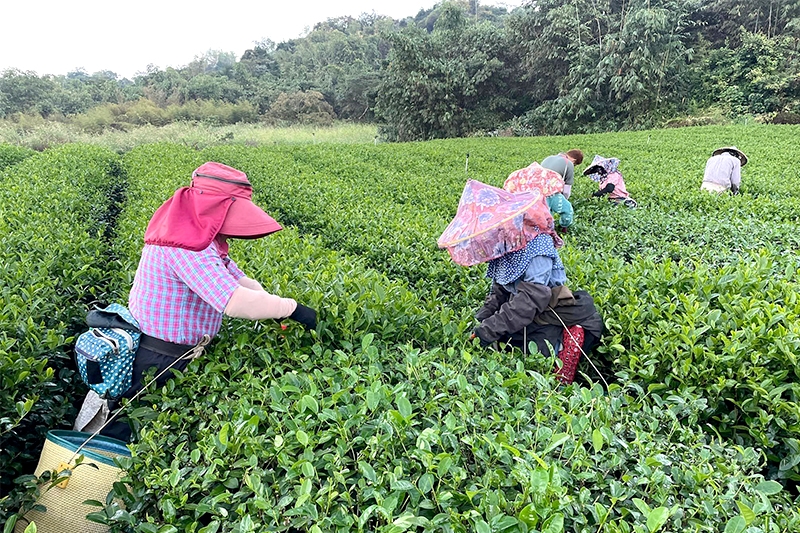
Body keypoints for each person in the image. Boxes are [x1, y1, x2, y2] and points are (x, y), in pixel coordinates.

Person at [99, 161, 317, 441]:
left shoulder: (197, 238)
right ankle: (93, 482)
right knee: (124, 438)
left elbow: (239, 280)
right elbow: (234, 301)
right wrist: (292, 308)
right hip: (159, 359)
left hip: (171, 353)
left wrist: (272, 304)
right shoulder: (185, 246)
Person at [471, 232, 604, 384]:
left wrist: (488, 330)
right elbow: (499, 291)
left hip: (547, 313)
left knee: (538, 369)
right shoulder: (505, 242)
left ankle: (566, 355)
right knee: (504, 346)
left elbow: (532, 298)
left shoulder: (538, 244)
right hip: (523, 310)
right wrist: (480, 321)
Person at [504, 162, 573, 234]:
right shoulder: (551, 194)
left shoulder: (516, 194)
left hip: (519, 232)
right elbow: (567, 210)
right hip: (543, 230)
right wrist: (564, 225)